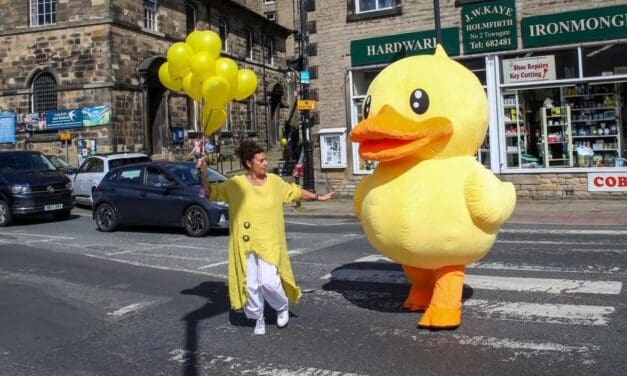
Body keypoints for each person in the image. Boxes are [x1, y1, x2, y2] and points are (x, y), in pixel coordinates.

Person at [198, 140, 334, 335]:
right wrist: (204, 173)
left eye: (264, 160)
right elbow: (212, 193)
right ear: (248, 163)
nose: (265, 163)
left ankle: (281, 306)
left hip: (269, 241)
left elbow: (294, 192)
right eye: (260, 160)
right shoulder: (236, 184)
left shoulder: (274, 182)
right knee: (251, 284)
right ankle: (258, 317)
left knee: (268, 281)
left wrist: (318, 198)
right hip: (245, 242)